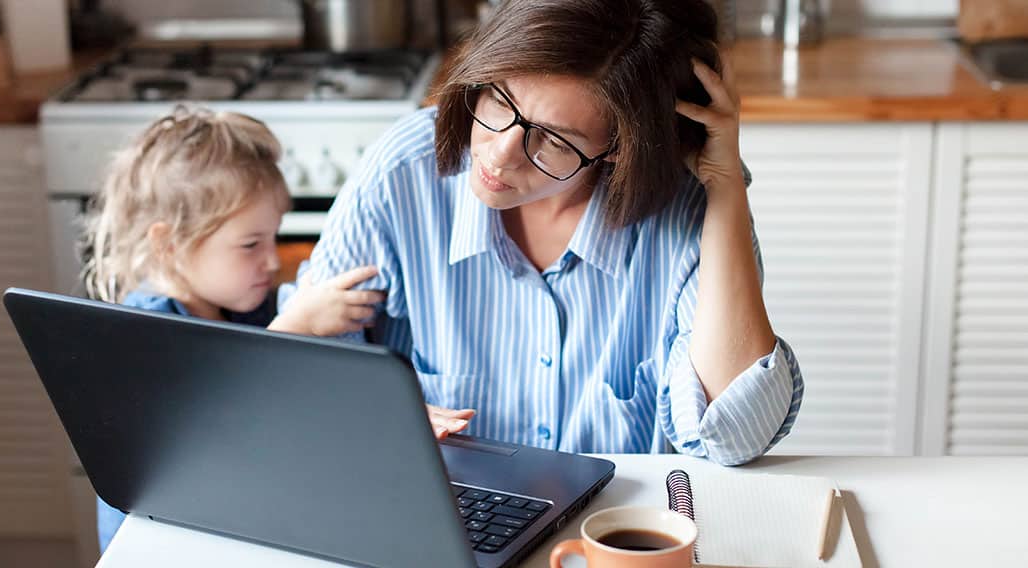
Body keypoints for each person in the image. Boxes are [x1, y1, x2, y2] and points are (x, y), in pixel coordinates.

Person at [281, 0, 804, 466]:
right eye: (500, 100)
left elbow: (735, 437)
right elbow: (298, 369)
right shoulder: (405, 172)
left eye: (552, 140)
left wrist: (726, 184)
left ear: (618, 149)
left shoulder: (689, 210)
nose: (498, 154)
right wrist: (378, 416)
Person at [80, 105, 383, 551]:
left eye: (273, 237)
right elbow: (220, 434)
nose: (273, 260)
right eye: (250, 244)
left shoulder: (243, 306)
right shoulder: (145, 335)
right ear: (169, 244)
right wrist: (296, 327)